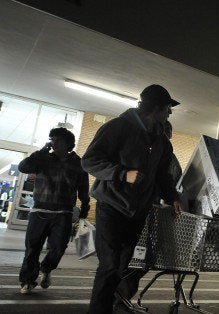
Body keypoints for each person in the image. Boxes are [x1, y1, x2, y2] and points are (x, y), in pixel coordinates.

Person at [82, 84, 182, 314]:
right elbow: (89, 161)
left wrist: (172, 197)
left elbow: (162, 174)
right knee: (109, 265)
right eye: (168, 108)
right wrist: (121, 173)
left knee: (120, 266)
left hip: (138, 211)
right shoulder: (118, 128)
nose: (169, 114)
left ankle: (112, 304)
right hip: (112, 206)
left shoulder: (162, 142)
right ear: (155, 108)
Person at [115, 119, 183, 308]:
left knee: (140, 258)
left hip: (150, 212)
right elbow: (172, 182)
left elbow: (170, 183)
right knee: (139, 257)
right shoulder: (160, 155)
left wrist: (172, 197)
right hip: (148, 212)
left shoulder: (166, 155)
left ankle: (121, 296)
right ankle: (120, 296)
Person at [17, 127, 90, 294]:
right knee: (32, 248)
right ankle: (27, 281)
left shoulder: (78, 164)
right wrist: (42, 150)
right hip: (39, 211)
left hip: (63, 214)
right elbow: (23, 167)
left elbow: (83, 188)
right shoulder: (42, 158)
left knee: (58, 248)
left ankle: (46, 268)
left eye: (58, 140)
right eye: (52, 139)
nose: (54, 143)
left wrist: (85, 205)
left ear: (68, 144)